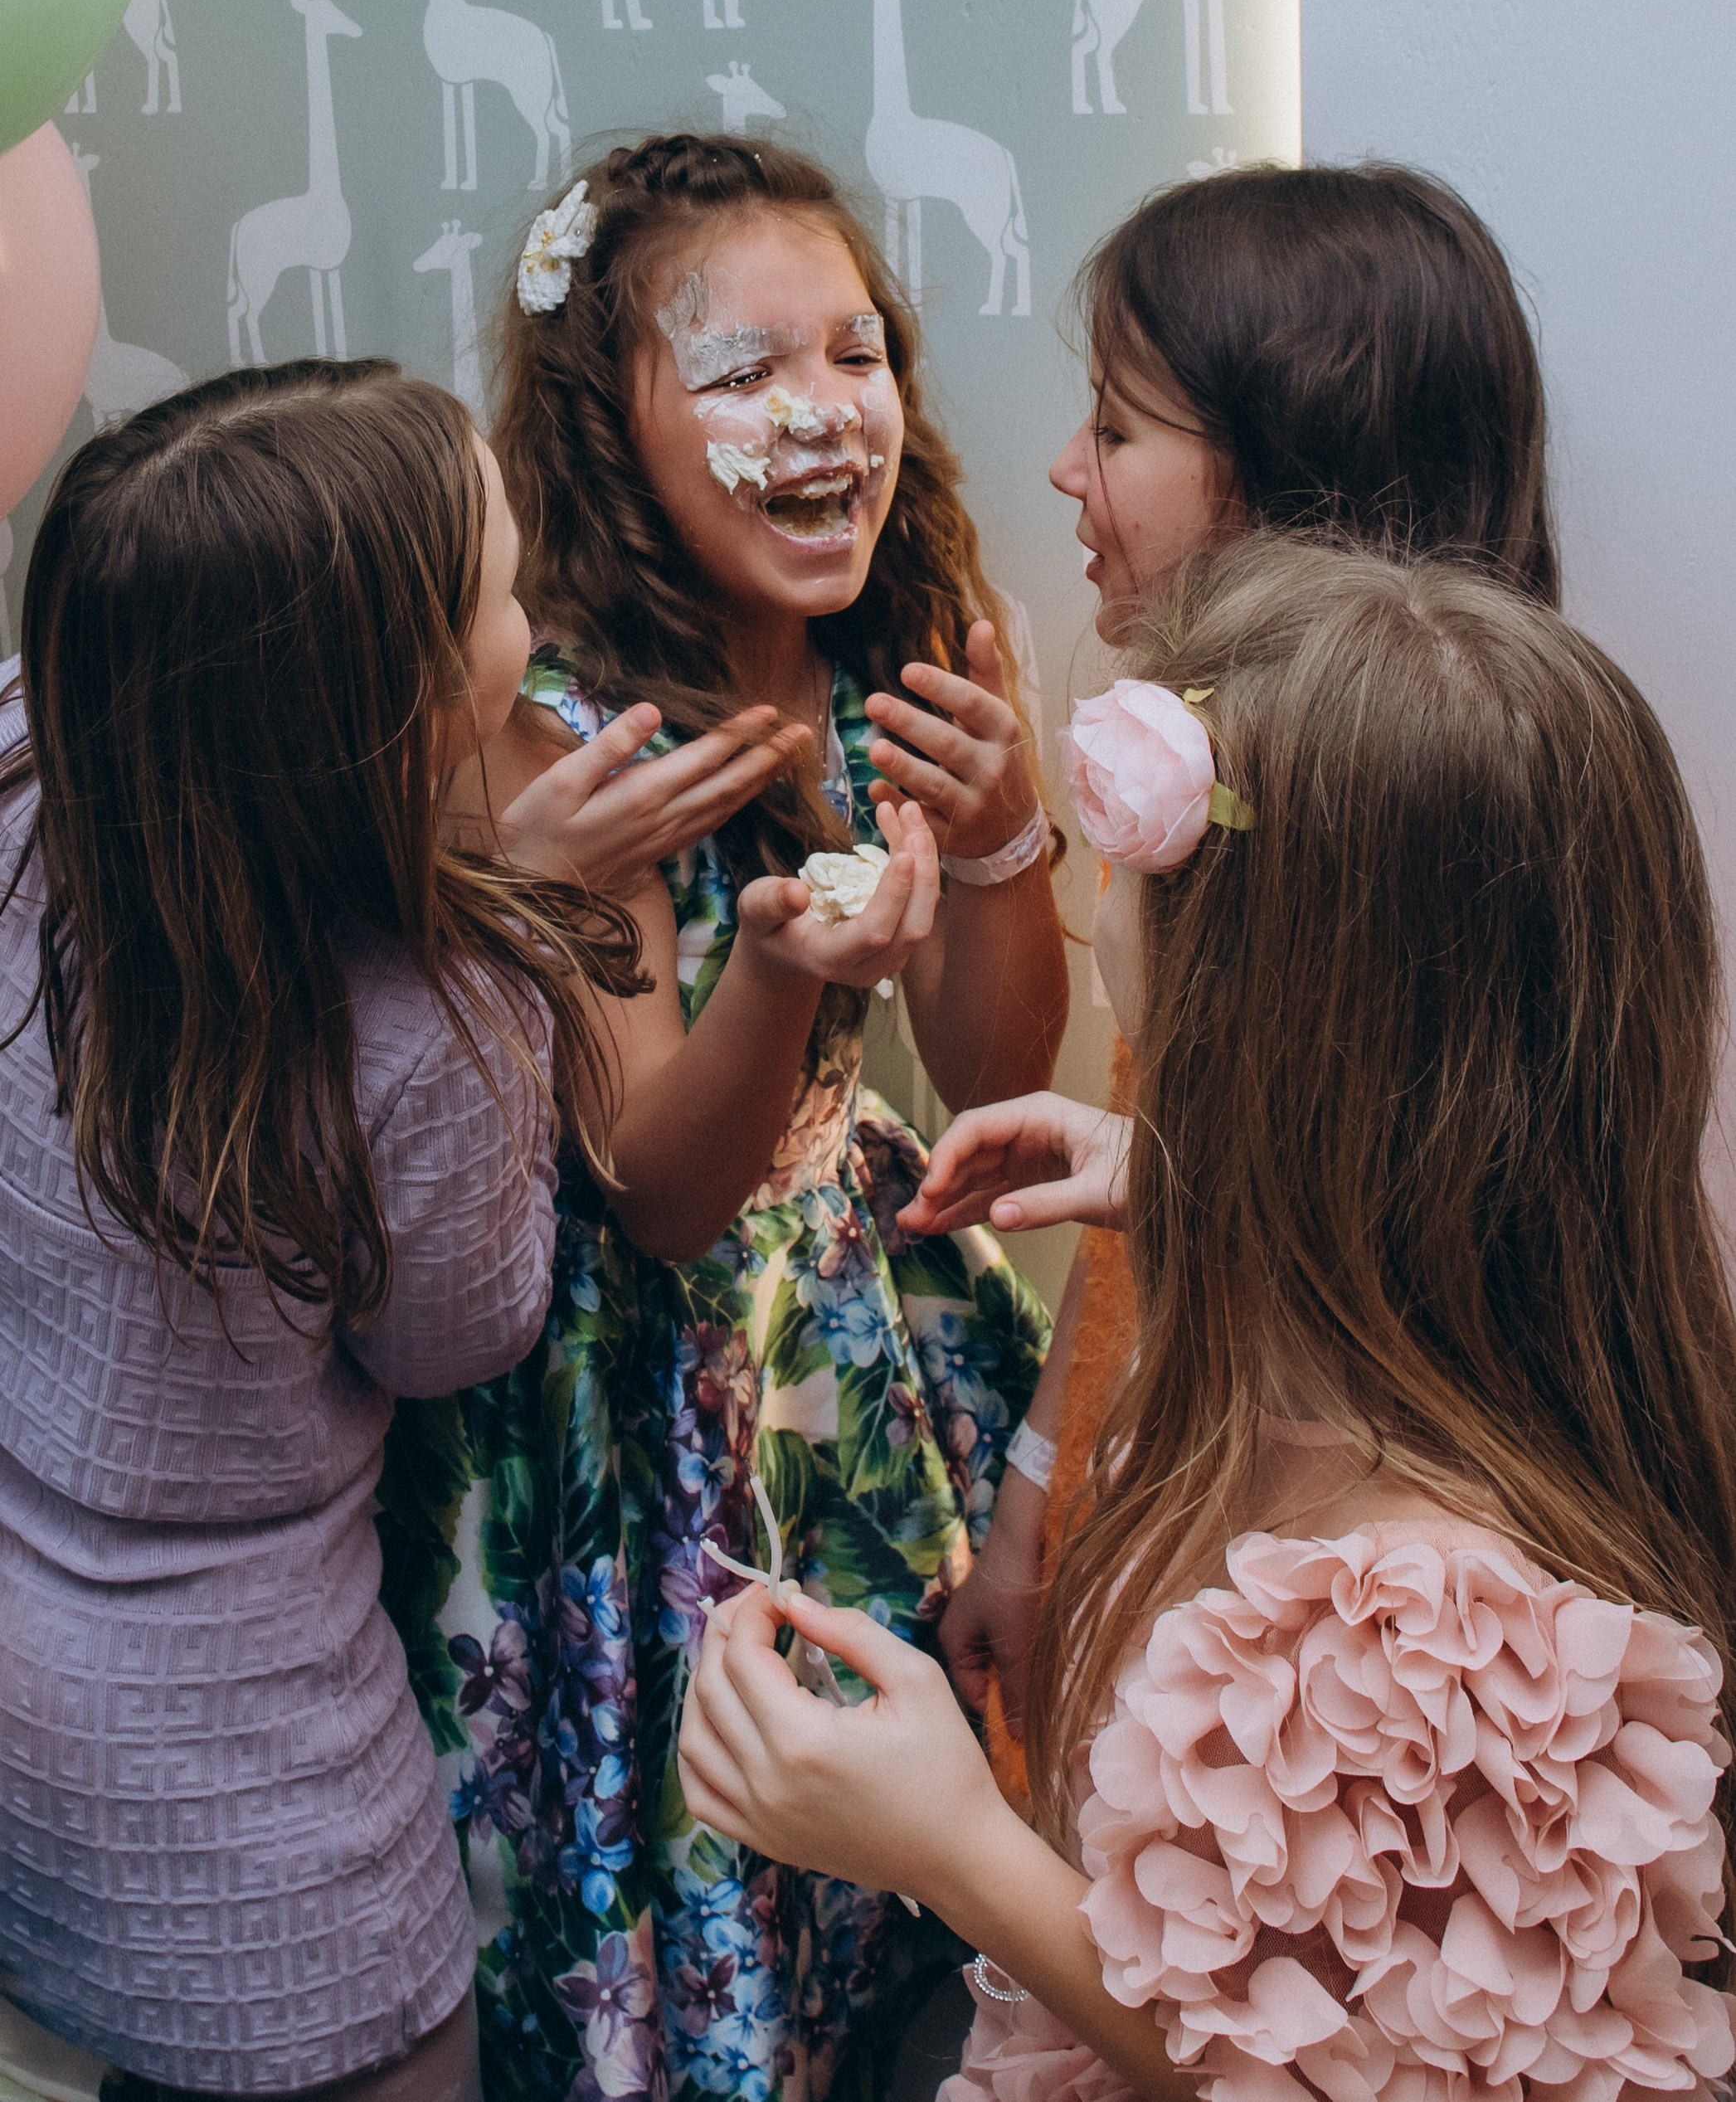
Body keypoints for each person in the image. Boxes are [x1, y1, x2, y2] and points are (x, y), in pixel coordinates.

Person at [679, 531, 1736, 2100]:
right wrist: (1180, 1181)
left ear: (1258, 1001)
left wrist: (953, 1845)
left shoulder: (1422, 1640)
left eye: (1116, 870)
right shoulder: (1474, 1353)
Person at [0, 358, 793, 2099]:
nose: (532, 626)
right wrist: (514, 932)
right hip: (251, 1785)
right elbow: (462, 1330)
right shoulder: (419, 1029)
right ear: (399, 712)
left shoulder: (36, 782)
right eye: (503, 601)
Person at [377, 138, 1067, 2100]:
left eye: (857, 352)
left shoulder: (917, 637)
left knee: (865, 1895)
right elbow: (659, 1192)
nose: (822, 411)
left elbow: (1004, 1070)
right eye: (745, 371)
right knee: (678, 1887)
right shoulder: (559, 716)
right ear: (610, 431)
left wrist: (1006, 833)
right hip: (629, 1386)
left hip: (846, 1358)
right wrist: (782, 970)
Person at [950, 161, 1563, 1756]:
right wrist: (1032, 1507)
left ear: (1287, 460)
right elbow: (1170, 1182)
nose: (1065, 470)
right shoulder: (1188, 781)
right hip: (1148, 1484)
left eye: (1119, 428)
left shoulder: (1395, 838)